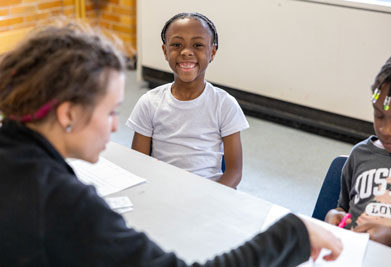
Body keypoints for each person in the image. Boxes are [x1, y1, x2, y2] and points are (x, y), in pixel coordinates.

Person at [0, 24, 342, 266]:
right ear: (68, 114)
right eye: (110, 111)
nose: (116, 126)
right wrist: (291, 235)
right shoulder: (62, 202)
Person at [126, 13, 249, 188]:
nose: (186, 52)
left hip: (210, 193)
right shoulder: (149, 102)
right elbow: (139, 164)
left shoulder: (225, 105)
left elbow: (234, 172)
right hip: (162, 189)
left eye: (198, 45)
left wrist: (211, 198)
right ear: (165, 52)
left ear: (212, 52)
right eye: (176, 45)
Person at [325, 44, 391, 249]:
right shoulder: (361, 154)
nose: (386, 129)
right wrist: (337, 215)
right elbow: (345, 208)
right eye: (379, 115)